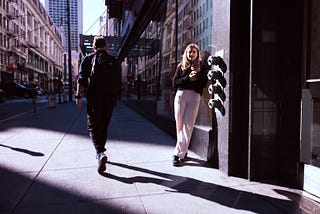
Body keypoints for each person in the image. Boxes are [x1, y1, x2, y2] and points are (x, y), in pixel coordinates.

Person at [75, 36, 121, 174]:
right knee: (103, 125)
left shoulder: (88, 59)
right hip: (110, 99)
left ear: (94, 47)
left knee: (93, 126)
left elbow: (82, 79)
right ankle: (102, 150)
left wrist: (78, 96)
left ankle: (100, 152)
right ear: (106, 47)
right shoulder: (113, 61)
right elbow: (119, 82)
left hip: (94, 98)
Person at [171, 43, 208, 166]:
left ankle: (177, 154)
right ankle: (183, 150)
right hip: (181, 96)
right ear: (186, 54)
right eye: (189, 52)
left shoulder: (202, 68)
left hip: (194, 97)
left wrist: (197, 75)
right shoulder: (181, 66)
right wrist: (188, 78)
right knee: (179, 125)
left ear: (197, 54)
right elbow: (174, 83)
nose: (191, 54)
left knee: (188, 125)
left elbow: (203, 84)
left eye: (194, 52)